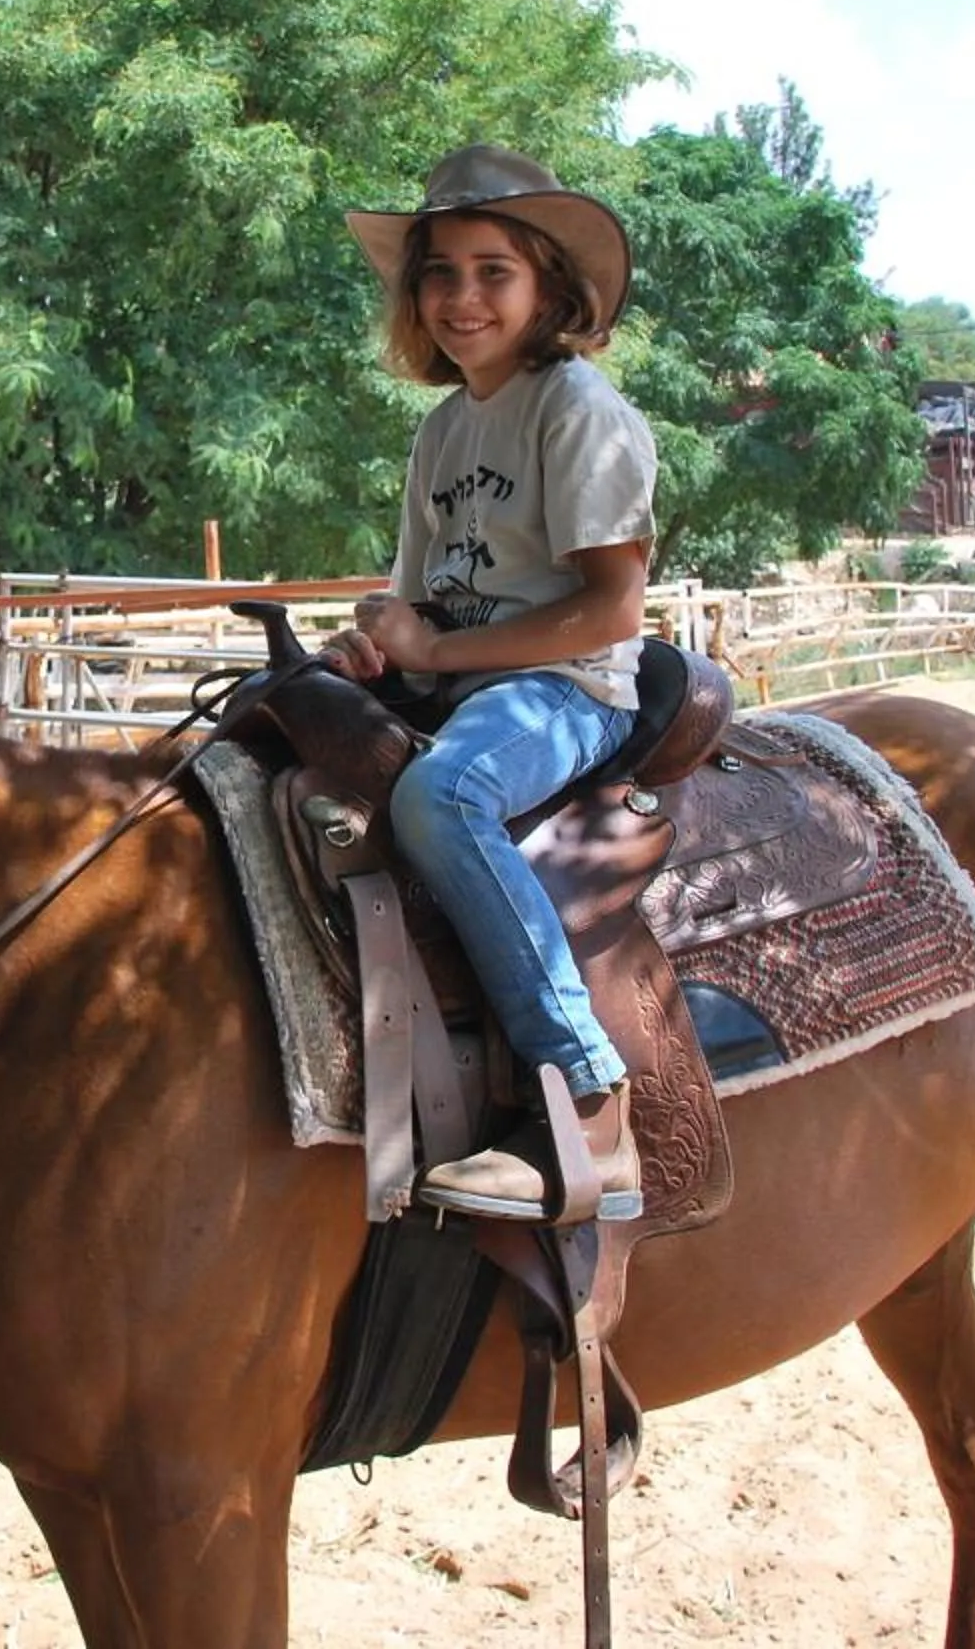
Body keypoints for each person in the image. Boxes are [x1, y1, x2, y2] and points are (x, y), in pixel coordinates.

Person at [323, 144, 657, 1223]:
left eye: (493, 271)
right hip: (459, 682)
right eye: (440, 272)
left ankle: (589, 1097)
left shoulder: (578, 409)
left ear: (549, 287)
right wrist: (377, 641)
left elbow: (612, 609)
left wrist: (434, 656)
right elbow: (423, 602)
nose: (461, 297)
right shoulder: (443, 429)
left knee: (442, 793)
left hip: (565, 689)